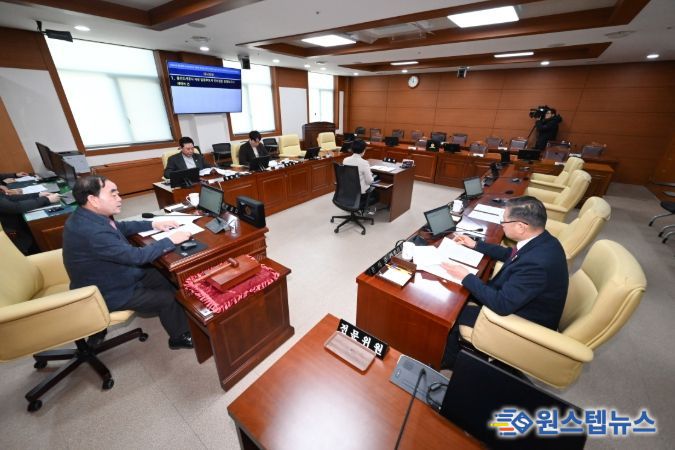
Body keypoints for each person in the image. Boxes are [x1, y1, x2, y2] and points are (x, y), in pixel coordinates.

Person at [62, 175, 194, 349]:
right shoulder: (92, 232)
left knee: (165, 276)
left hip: (108, 274)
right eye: (113, 194)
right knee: (167, 298)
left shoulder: (86, 215)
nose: (119, 198)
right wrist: (170, 240)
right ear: (93, 200)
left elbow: (121, 227)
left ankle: (180, 316)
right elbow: (137, 256)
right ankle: (179, 337)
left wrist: (153, 224)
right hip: (108, 291)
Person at [440, 196, 568, 369]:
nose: (502, 224)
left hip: (522, 323)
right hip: (522, 301)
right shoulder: (543, 241)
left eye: (505, 221)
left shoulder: (537, 265)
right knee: (463, 293)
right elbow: (511, 255)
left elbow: (501, 304)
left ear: (521, 226)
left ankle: (448, 361)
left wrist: (466, 276)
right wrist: (476, 245)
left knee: (453, 312)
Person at [0, 189, 61, 254]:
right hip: (14, 238)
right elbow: (15, 207)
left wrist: (38, 195)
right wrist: (46, 199)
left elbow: (9, 198)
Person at [343, 139, 378, 209]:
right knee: (377, 194)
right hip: (360, 193)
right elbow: (369, 181)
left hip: (348, 190)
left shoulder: (345, 160)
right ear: (363, 150)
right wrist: (372, 176)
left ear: (352, 149)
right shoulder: (364, 163)